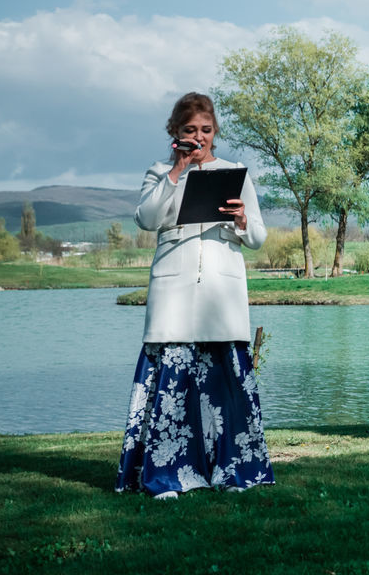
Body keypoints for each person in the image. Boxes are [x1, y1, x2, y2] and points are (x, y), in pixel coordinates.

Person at [116, 92, 273, 498]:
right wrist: (177, 171)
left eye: (205, 130)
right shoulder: (159, 173)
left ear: (215, 131)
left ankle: (233, 472)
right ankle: (167, 475)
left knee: (226, 389)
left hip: (221, 293)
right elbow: (146, 219)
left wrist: (240, 220)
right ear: (175, 132)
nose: (198, 137)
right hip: (174, 295)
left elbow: (257, 236)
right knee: (173, 389)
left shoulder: (234, 172)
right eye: (190, 130)